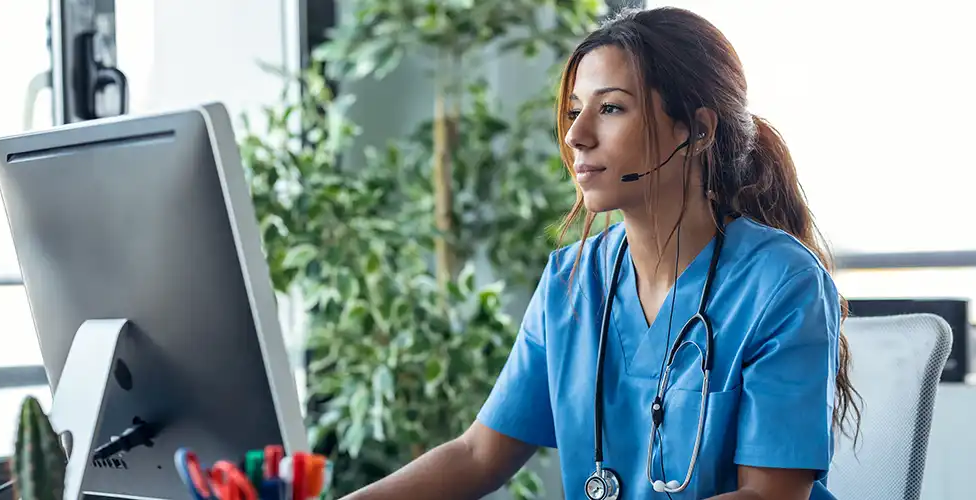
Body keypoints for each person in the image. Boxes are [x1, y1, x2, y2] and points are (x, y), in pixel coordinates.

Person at [340, 6, 861, 500]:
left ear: (698, 130)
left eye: (610, 108)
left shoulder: (781, 283)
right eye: (573, 111)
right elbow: (478, 455)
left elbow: (770, 495)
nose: (576, 136)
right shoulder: (571, 282)